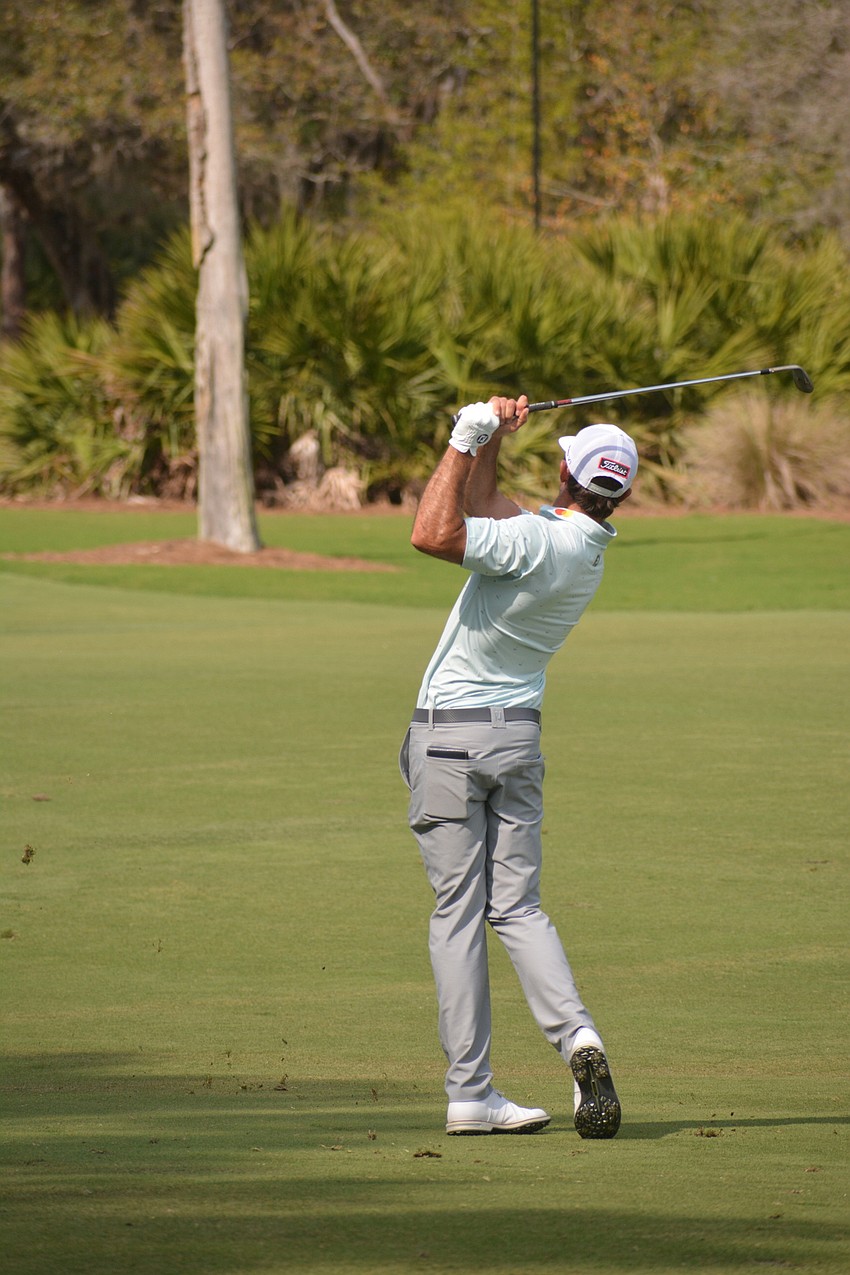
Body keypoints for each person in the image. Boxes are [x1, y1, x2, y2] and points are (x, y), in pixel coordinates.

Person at [399, 393, 638, 1138]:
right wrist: (490, 439)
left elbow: (432, 533)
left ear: (565, 473)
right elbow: (484, 506)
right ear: (618, 493)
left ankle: (471, 1093)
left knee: (458, 914)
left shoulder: (535, 542)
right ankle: (578, 1037)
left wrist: (461, 437)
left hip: (449, 739)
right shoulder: (581, 549)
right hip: (516, 742)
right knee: (518, 907)